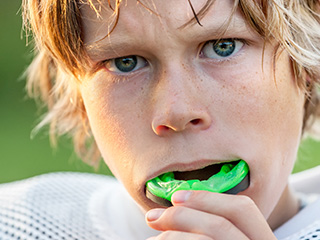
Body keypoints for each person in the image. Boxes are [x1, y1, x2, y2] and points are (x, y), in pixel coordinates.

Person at [1, 0, 320, 239]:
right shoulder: (20, 224)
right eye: (125, 63)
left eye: (222, 47)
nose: (176, 112)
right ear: (79, 96)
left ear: (305, 62)